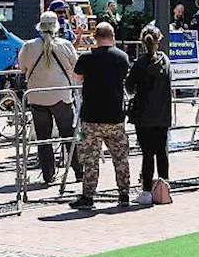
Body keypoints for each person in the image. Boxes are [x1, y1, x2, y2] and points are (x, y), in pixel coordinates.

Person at [69, 22, 132, 211]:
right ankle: (124, 194)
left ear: (95, 38)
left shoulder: (87, 58)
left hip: (91, 116)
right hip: (115, 115)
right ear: (112, 37)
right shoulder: (122, 57)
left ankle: (88, 196)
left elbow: (77, 77)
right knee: (120, 157)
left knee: (91, 159)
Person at [18, 11, 81, 185]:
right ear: (56, 27)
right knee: (68, 134)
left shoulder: (29, 46)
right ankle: (78, 170)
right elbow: (76, 67)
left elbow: (22, 67)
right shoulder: (66, 45)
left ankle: (48, 174)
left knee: (43, 138)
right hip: (61, 94)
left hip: (37, 96)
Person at [125, 25, 172, 205]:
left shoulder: (140, 63)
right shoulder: (165, 61)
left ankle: (146, 192)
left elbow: (129, 87)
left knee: (147, 153)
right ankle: (164, 187)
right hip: (163, 113)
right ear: (159, 40)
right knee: (162, 152)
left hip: (144, 114)